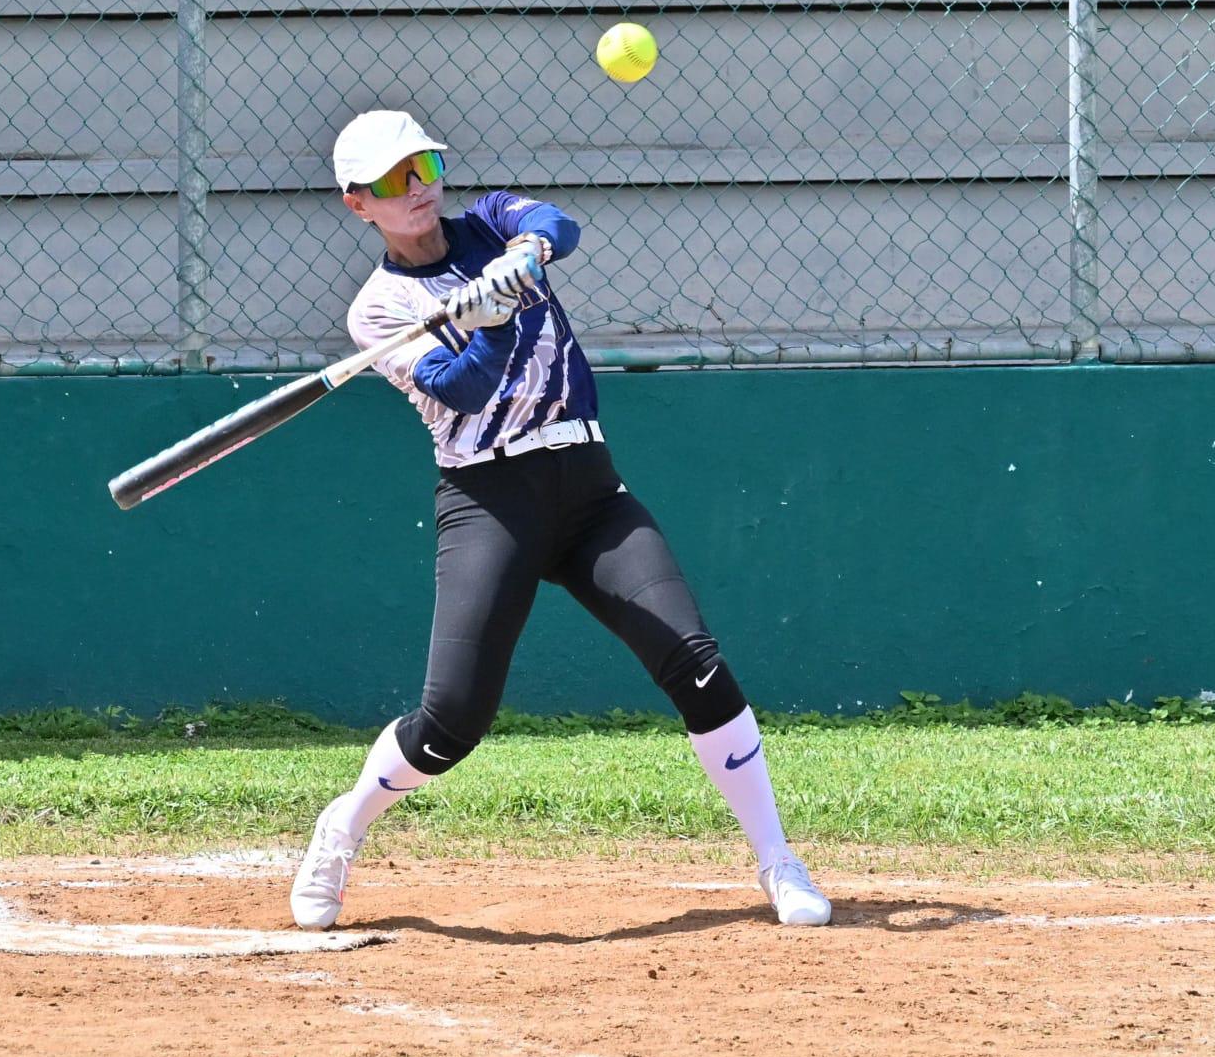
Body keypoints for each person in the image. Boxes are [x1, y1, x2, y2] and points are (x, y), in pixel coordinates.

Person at [290, 109, 831, 930]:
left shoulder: (492, 223)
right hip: (487, 502)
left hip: (587, 490)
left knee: (691, 658)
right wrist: (490, 321)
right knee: (452, 721)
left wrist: (522, 259)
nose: (420, 190)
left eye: (426, 165)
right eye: (395, 182)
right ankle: (343, 828)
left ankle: (777, 859)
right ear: (356, 203)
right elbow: (463, 390)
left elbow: (556, 224)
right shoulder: (377, 311)